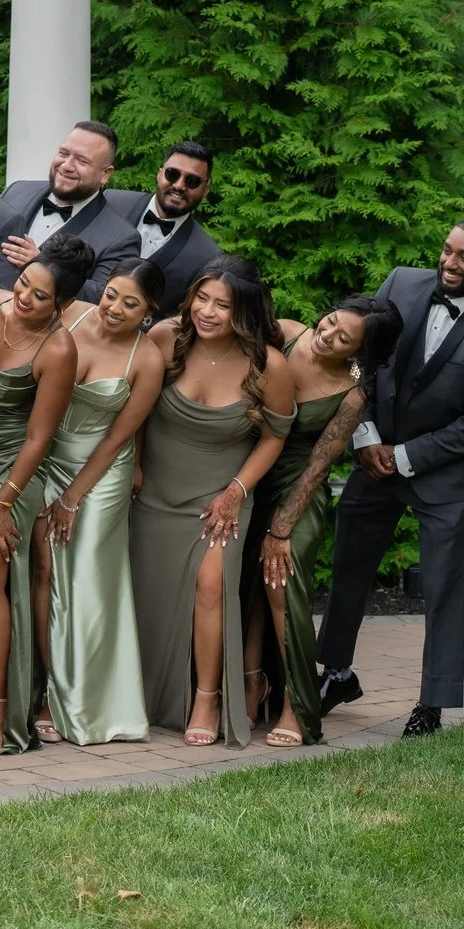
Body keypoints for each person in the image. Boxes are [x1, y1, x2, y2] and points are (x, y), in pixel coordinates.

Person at [316, 221, 464, 738]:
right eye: (448, 252)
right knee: (349, 566)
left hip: (439, 476)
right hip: (371, 455)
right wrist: (364, 438)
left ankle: (431, 703)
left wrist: (405, 455)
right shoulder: (399, 285)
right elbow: (360, 363)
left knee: (442, 584)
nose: (450, 264)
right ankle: (335, 672)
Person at [131, 256, 294, 748]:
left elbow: (273, 438)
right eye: (201, 298)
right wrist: (134, 463)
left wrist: (236, 491)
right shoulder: (165, 339)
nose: (206, 311)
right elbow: (131, 404)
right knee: (146, 590)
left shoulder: (270, 365)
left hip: (219, 496)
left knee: (210, 585)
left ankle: (206, 696)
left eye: (222, 305)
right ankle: (139, 693)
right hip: (153, 487)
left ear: (243, 311)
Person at [246, 294, 401, 746]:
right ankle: (252, 683)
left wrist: (281, 529)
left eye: (343, 339)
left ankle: (298, 707)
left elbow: (318, 466)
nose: (327, 337)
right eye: (329, 323)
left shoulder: (353, 390)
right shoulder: (289, 333)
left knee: (280, 587)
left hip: (295, 489)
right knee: (243, 586)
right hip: (246, 473)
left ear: (359, 353)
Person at [0, 235, 85, 756]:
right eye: (23, 283)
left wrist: (4, 499)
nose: (24, 297)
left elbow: (40, 437)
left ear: (64, 306)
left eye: (40, 295)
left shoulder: (59, 348)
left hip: (10, 469)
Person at [30, 258, 165, 746]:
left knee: (85, 578)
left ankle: (78, 700)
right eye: (111, 294)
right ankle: (45, 685)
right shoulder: (73, 316)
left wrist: (72, 497)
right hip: (44, 457)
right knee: (42, 568)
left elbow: (117, 440)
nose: (114, 308)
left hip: (99, 474)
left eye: (131, 304)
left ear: (148, 312)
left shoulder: (147, 360)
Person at [0, 120, 141, 294]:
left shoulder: (122, 237)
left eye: (82, 161)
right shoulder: (17, 191)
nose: (67, 166)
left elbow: (102, 296)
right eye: (63, 153)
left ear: (105, 174)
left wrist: (43, 265)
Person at [127, 141, 221, 319]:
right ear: (160, 173)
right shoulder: (112, 202)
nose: (179, 185)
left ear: (206, 189)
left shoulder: (209, 257)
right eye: (172, 174)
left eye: (192, 181)